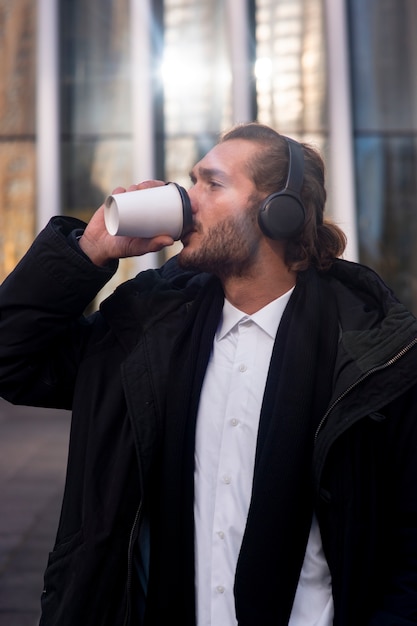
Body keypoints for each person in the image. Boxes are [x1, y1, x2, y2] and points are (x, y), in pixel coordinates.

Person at [0, 122, 417, 626]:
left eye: (211, 184)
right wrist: (87, 253)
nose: (187, 201)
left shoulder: (376, 356)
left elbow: (408, 554)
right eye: (192, 181)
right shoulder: (147, 330)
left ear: (278, 214)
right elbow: (13, 360)